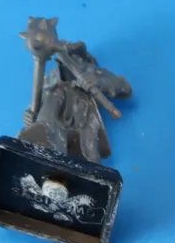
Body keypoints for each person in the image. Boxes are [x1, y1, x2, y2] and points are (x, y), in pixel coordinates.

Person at [18, 18, 131, 163]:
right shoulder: (52, 82)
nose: (70, 61)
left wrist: (99, 82)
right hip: (53, 128)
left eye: (75, 58)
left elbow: (124, 88)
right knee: (51, 106)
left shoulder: (92, 74)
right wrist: (30, 115)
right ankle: (43, 145)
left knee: (88, 152)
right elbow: (37, 104)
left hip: (83, 121)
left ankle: (88, 169)